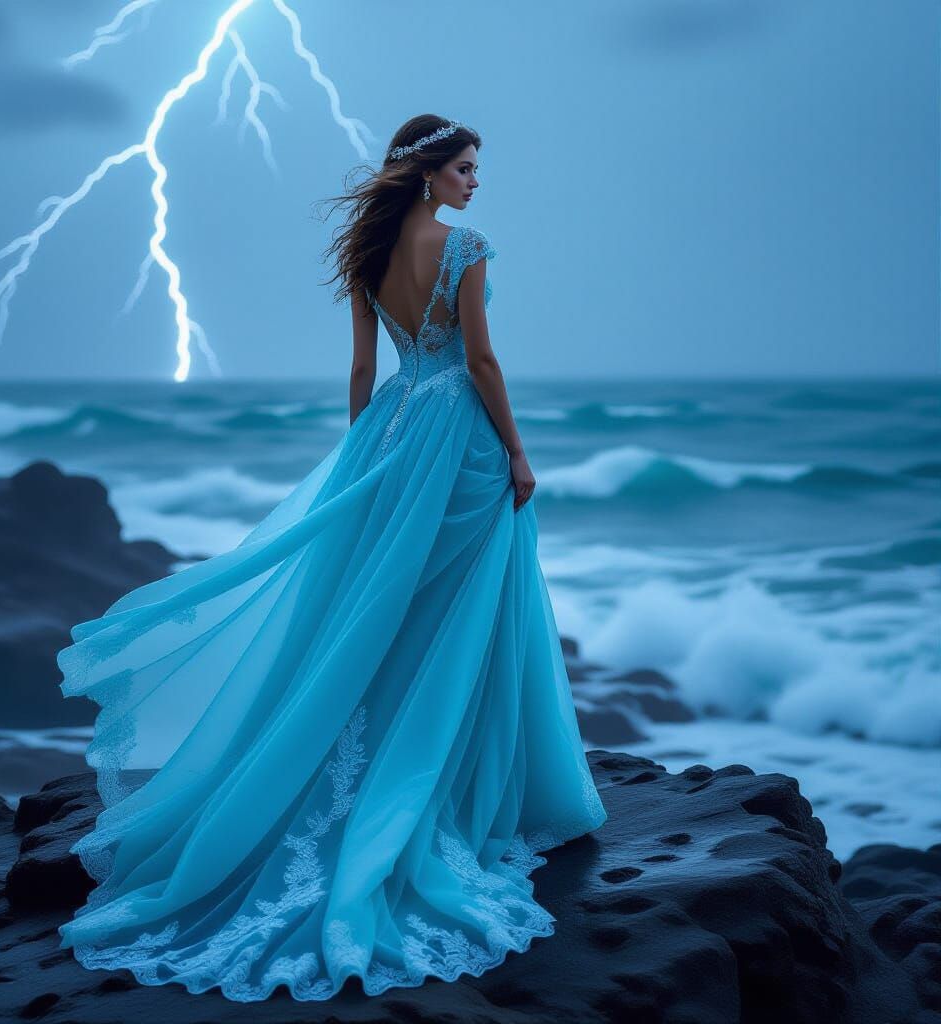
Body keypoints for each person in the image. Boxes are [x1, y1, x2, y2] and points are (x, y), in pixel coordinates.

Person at [55, 114, 608, 1002]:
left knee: (384, 615)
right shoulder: (464, 245)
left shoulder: (367, 254)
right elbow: (482, 360)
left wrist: (366, 460)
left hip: (392, 430)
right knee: (457, 613)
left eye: (476, 170)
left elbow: (361, 371)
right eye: (466, 168)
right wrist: (517, 450)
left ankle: (372, 768)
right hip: (458, 435)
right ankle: (445, 784)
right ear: (430, 174)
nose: (476, 182)